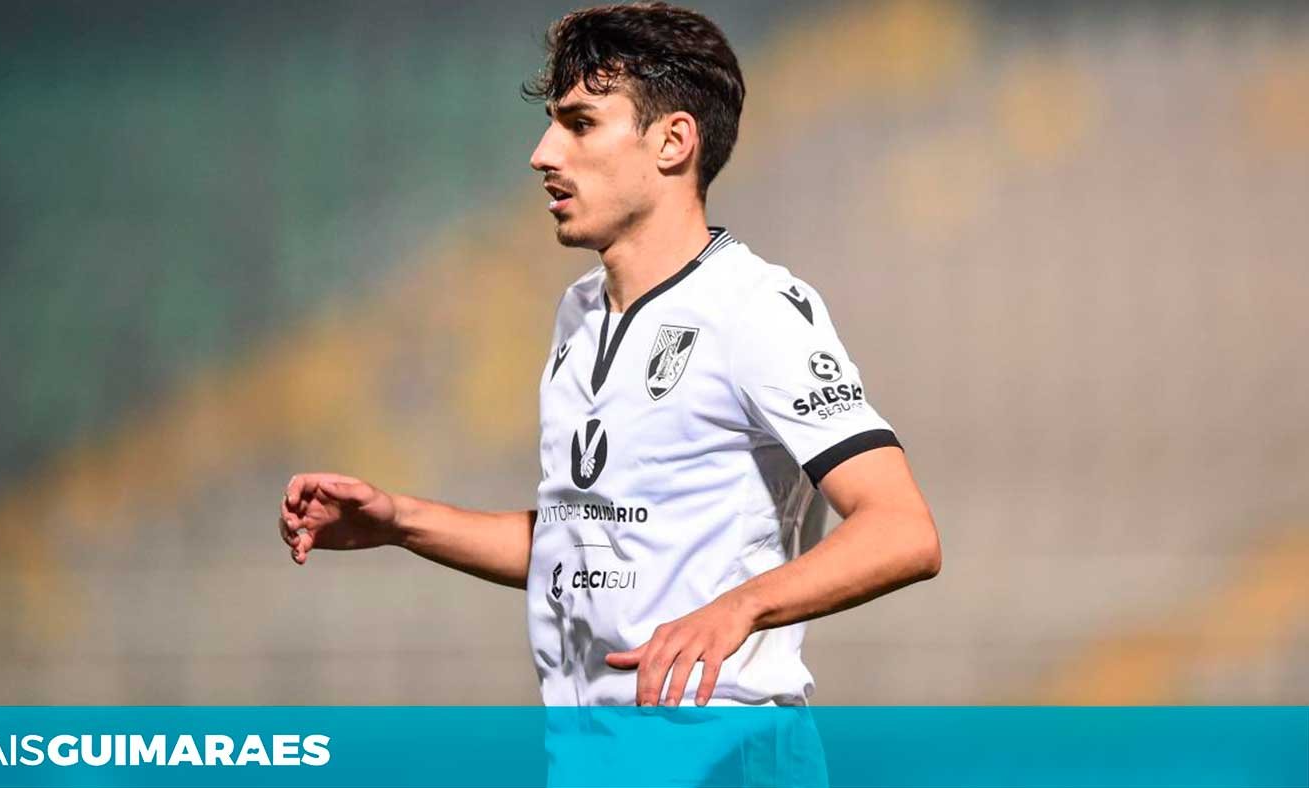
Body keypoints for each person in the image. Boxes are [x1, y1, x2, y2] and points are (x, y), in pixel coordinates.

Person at [277, 1, 940, 709]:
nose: (543, 153)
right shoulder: (580, 313)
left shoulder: (754, 308)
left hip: (721, 742)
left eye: (581, 124)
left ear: (672, 142)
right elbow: (584, 542)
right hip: (596, 745)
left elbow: (902, 530)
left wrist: (738, 608)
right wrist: (400, 522)